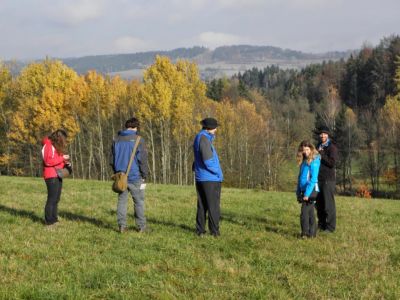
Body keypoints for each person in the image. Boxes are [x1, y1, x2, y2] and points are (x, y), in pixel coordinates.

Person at [110, 117, 149, 233]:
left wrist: (116, 173)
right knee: (138, 202)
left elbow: (111, 160)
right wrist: (144, 174)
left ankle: (122, 226)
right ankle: (141, 227)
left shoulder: (116, 139)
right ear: (136, 128)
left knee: (122, 201)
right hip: (135, 176)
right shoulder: (139, 139)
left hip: (121, 177)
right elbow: (142, 160)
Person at [193, 117, 223, 237]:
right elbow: (208, 161)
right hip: (210, 178)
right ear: (210, 128)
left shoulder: (199, 137)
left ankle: (200, 230)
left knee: (202, 205)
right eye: (215, 128)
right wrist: (218, 173)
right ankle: (215, 232)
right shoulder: (204, 139)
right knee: (213, 206)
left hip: (201, 177)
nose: (216, 130)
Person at [42, 129, 71, 226]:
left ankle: (54, 219)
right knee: (51, 199)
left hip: (57, 174)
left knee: (56, 199)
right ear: (59, 138)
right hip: (51, 175)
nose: (64, 141)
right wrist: (62, 158)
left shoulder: (55, 146)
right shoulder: (48, 145)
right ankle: (49, 221)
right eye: (63, 139)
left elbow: (56, 160)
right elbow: (48, 161)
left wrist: (65, 163)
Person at [315, 125, 338, 233]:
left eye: (324, 134)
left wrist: (322, 153)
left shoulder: (332, 147)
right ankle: (321, 224)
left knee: (328, 204)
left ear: (327, 135)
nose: (322, 135)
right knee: (319, 204)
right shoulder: (318, 145)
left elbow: (332, 163)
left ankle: (330, 227)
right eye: (321, 134)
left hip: (328, 179)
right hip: (318, 178)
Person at [296, 140, 321, 238]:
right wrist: (298, 192)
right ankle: (312, 233)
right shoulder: (303, 161)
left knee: (304, 212)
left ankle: (305, 233)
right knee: (310, 212)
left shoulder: (314, 161)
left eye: (307, 149)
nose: (305, 152)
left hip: (311, 190)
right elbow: (300, 178)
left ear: (311, 149)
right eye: (303, 150)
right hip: (304, 190)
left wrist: (306, 194)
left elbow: (313, 179)